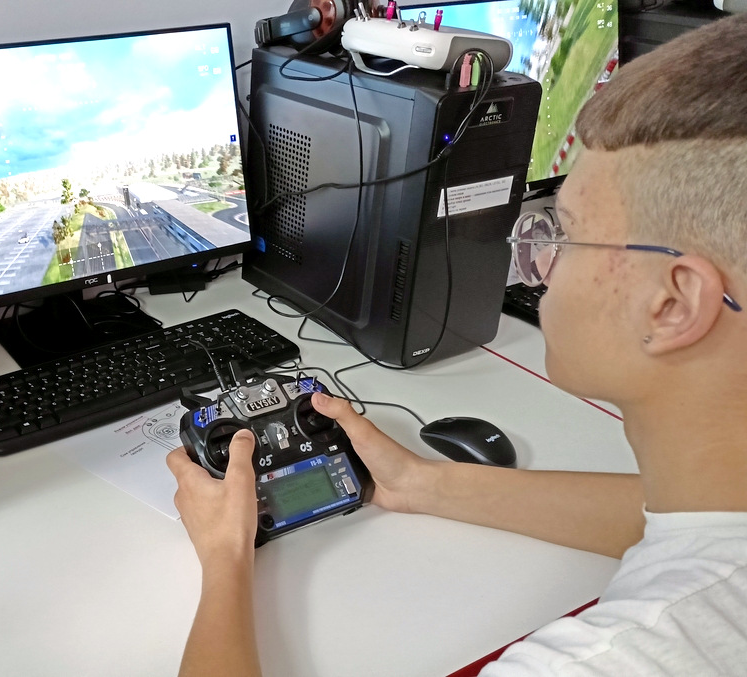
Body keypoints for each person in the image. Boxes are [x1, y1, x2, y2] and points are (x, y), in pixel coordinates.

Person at [166, 13, 747, 677]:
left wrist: (225, 555)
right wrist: (421, 481)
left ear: (673, 304)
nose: (537, 263)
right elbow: (667, 516)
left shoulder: (625, 656)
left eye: (564, 233)